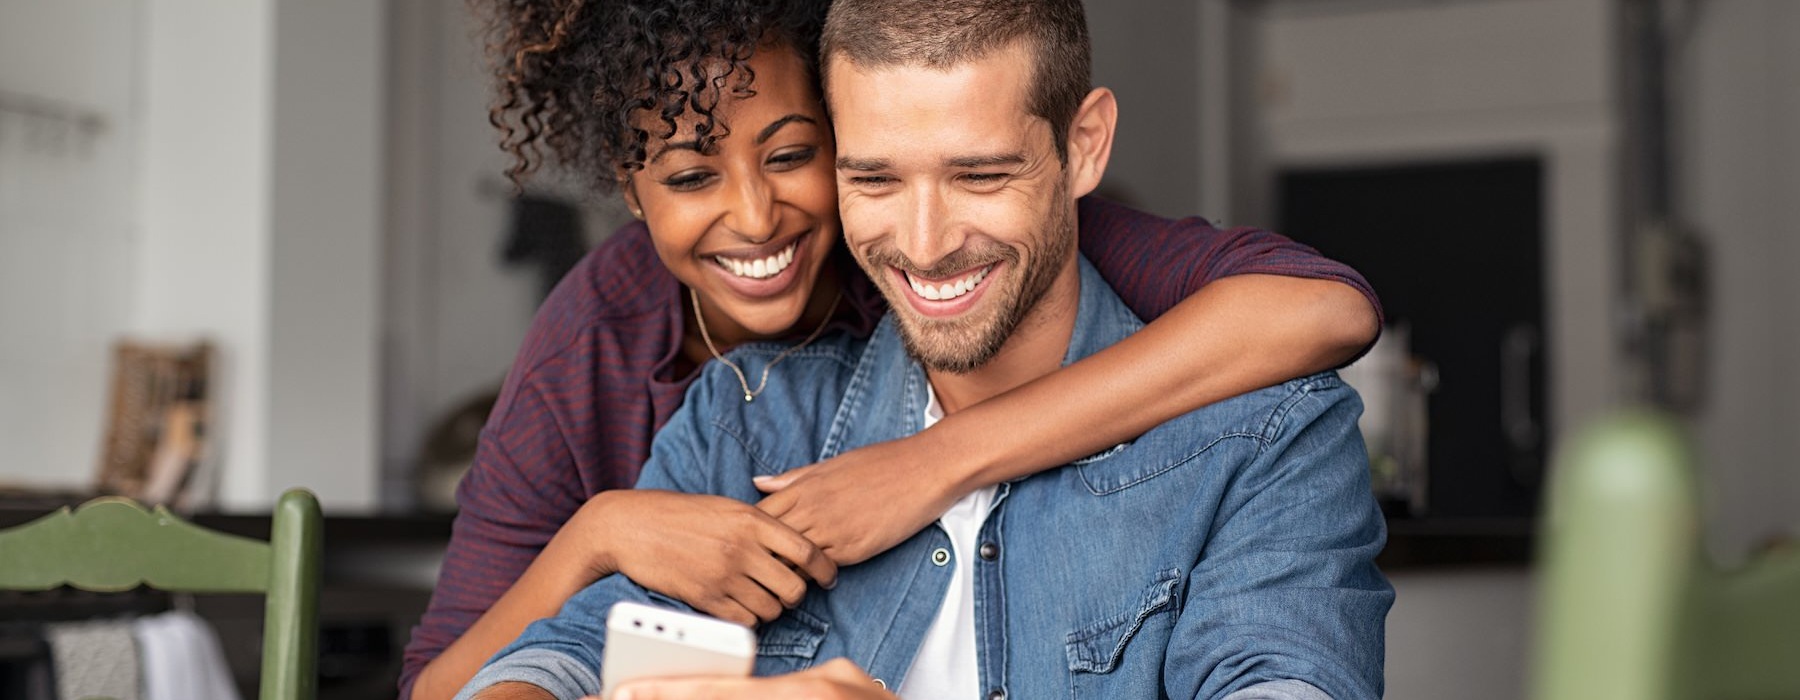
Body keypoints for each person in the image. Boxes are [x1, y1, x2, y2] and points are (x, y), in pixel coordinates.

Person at [403, 0, 1385, 697]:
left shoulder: (1265, 433)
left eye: (981, 173)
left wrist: (935, 463)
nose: (923, 240)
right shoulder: (730, 411)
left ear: (1083, 149)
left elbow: (1323, 309)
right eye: (876, 177)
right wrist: (603, 535)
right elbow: (534, 663)